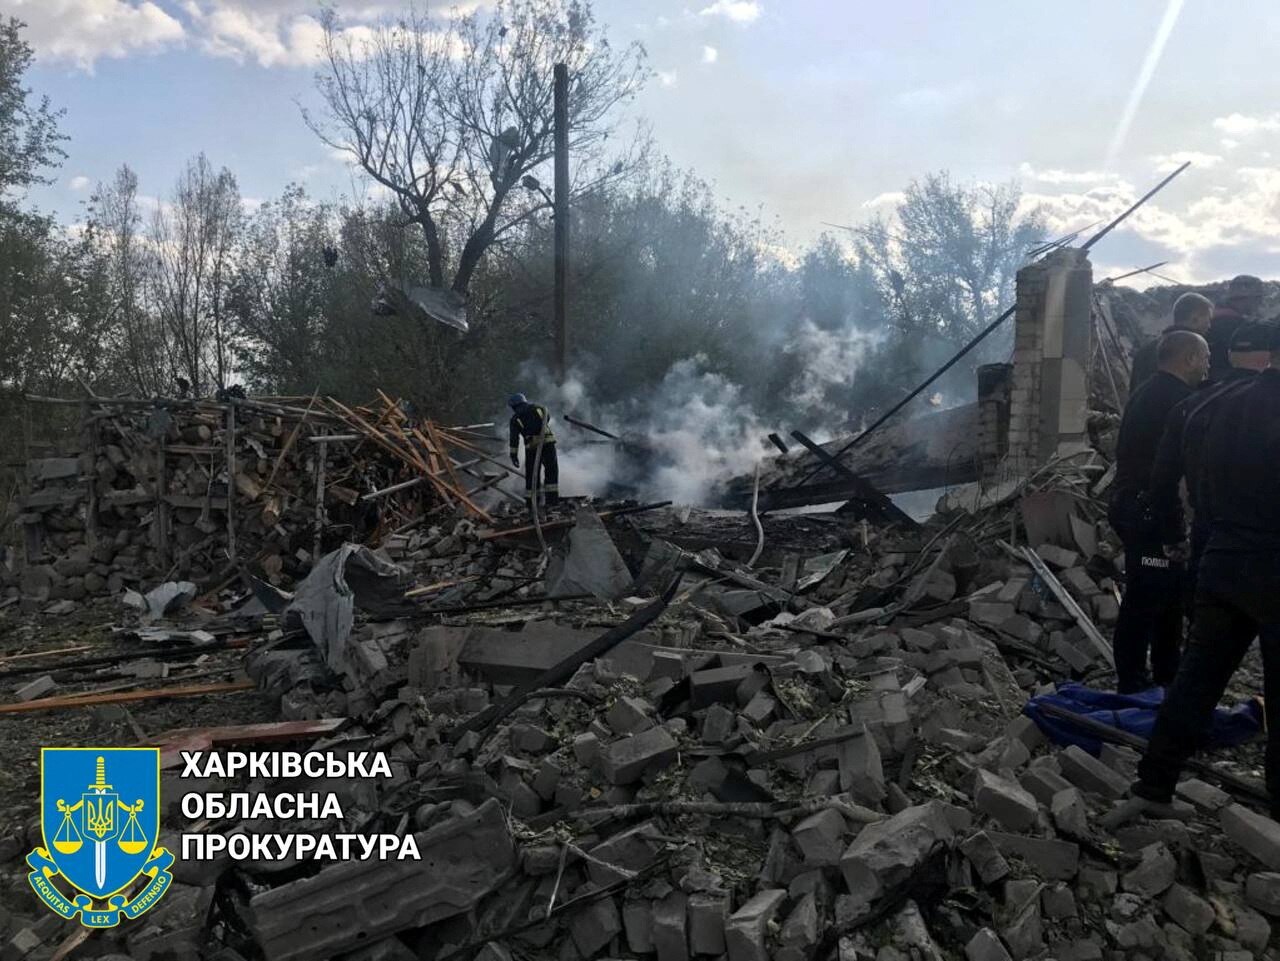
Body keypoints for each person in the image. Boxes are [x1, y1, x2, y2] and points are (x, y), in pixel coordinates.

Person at [1132, 335, 1280, 816]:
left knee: (1196, 681)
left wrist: (1187, 536)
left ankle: (1153, 788)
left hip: (1221, 555)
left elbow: (1173, 480)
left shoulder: (1212, 405)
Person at [1147, 323, 1275, 619]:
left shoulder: (1195, 403)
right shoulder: (1269, 407)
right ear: (1269, 357)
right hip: (1268, 548)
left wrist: (1174, 534)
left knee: (1205, 651)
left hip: (1213, 542)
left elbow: (1163, 478)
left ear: (1229, 356)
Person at [1108, 330, 1210, 693]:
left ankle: (1165, 675)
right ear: (1190, 359)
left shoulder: (1146, 391)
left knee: (1166, 596)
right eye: (1206, 358)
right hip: (1149, 512)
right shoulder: (1181, 402)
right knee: (1144, 598)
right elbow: (1169, 476)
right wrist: (1174, 532)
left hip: (1134, 506)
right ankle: (1133, 683)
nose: (1208, 367)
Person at [1130, 292, 1212, 389]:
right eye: (1208, 320)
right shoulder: (1193, 350)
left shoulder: (1144, 351)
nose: (1209, 326)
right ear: (1195, 318)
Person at [1207, 274, 1265, 380]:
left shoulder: (1209, 321)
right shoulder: (1243, 328)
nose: (1260, 302)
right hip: (1232, 383)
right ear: (1244, 299)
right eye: (1257, 298)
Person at [507, 393, 560, 507]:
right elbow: (547, 418)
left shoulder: (515, 419)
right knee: (552, 472)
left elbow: (514, 439)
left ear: (514, 406)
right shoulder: (539, 408)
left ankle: (532, 504)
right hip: (548, 444)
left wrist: (514, 456)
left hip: (532, 448)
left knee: (532, 476)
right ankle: (552, 503)